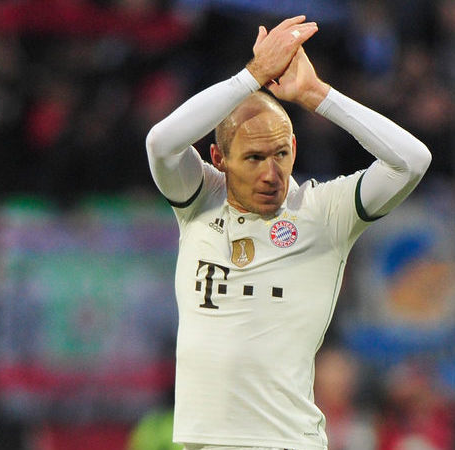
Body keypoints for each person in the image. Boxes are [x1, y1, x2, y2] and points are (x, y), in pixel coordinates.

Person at [146, 15, 431, 450]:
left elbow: (411, 161)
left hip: (284, 442)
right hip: (201, 443)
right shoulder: (200, 198)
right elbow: (160, 143)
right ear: (219, 158)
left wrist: (317, 95)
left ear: (294, 148)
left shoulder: (325, 211)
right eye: (254, 158)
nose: (271, 173)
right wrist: (251, 76)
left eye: (280, 154)